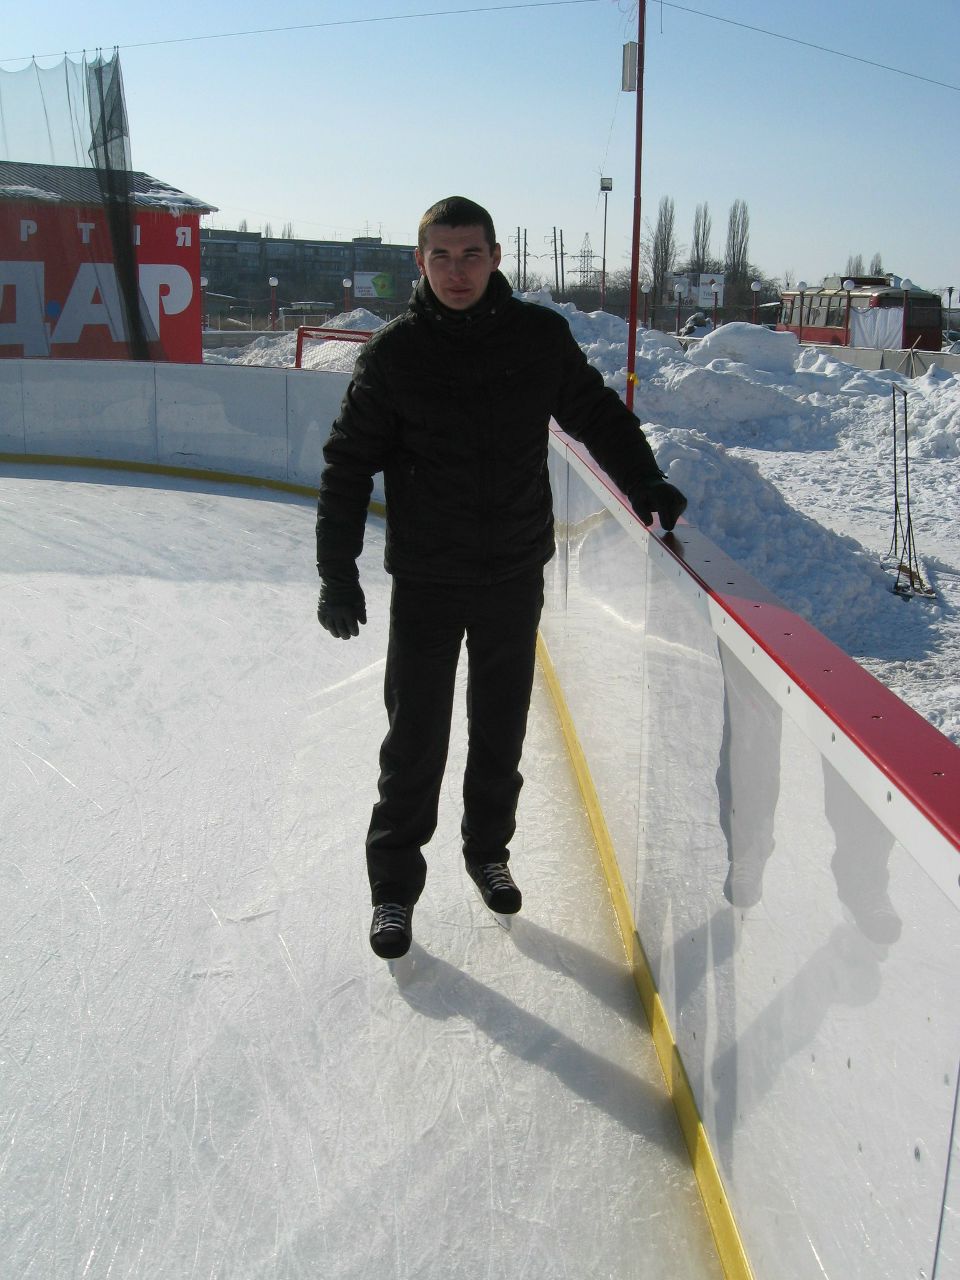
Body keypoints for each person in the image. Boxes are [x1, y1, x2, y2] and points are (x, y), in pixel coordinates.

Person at [315, 196, 686, 960]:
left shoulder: (538, 339)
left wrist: (644, 482)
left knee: (501, 729)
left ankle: (489, 851)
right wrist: (337, 572)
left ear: (495, 258)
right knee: (414, 737)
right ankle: (393, 889)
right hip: (426, 578)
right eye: (442, 257)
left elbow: (597, 416)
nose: (458, 271)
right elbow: (347, 466)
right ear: (419, 263)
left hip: (513, 571)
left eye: (472, 255)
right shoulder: (394, 354)